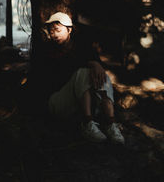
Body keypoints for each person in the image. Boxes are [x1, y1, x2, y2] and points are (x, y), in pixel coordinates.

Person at [28, 11, 125, 145]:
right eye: (51, 31)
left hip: (79, 101)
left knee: (99, 72)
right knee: (84, 72)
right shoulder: (47, 51)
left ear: (69, 30)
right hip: (57, 102)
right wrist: (90, 63)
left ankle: (110, 123)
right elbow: (58, 75)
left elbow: (93, 65)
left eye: (57, 30)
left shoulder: (81, 48)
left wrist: (96, 64)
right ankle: (87, 123)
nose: (54, 34)